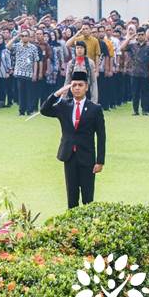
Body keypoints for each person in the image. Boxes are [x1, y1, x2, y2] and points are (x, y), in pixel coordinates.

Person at [39, 70, 106, 208]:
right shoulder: (64, 105)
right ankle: (72, 228)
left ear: (86, 87)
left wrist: (100, 161)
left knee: (88, 198)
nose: (77, 88)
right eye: (74, 85)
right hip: (69, 156)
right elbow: (44, 110)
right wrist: (58, 93)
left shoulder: (95, 109)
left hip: (87, 158)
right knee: (71, 196)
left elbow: (101, 136)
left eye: (80, 85)